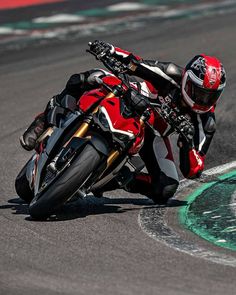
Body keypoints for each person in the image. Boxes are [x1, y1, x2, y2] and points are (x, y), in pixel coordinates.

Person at [20, 40, 226, 204]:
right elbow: (135, 63)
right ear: (187, 80)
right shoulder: (171, 73)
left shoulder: (205, 121)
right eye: (197, 92)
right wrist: (108, 49)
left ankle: (118, 178)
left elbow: (194, 169)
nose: (202, 100)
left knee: (167, 187)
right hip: (131, 99)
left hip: (153, 134)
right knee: (88, 78)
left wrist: (187, 142)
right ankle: (45, 120)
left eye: (209, 96)